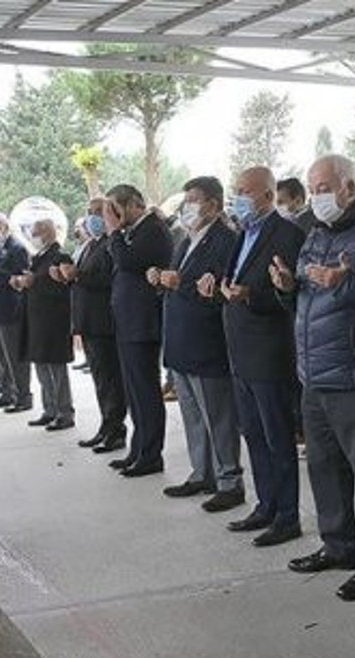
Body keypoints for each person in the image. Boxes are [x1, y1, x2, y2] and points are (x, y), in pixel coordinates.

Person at [273, 154, 355, 602]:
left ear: (350, 186)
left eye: (324, 187)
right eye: (312, 188)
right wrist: (287, 286)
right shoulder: (314, 233)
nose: (317, 196)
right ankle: (338, 545)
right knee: (324, 466)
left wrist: (343, 284)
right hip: (315, 372)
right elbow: (307, 299)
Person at [220, 166, 308, 548]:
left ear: (268, 196)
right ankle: (266, 504)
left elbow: (292, 293)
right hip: (240, 349)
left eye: (245, 191)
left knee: (277, 437)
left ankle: (287, 516)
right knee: (253, 433)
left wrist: (251, 296)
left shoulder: (288, 234)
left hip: (271, 351)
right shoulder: (242, 234)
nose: (237, 197)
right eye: (235, 190)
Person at [152, 176, 246, 513]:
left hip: (207, 342)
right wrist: (163, 279)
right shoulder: (187, 239)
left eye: (194, 199)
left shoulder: (227, 240)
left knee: (218, 416)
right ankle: (202, 472)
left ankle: (229, 480)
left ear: (214, 205)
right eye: (187, 199)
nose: (187, 205)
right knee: (192, 415)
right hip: (180, 339)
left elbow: (222, 288)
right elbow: (180, 278)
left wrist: (183, 283)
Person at [105, 184, 173, 478]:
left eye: (116, 210)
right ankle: (137, 448)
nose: (114, 217)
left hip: (143, 322)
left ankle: (151, 454)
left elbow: (127, 262)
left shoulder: (153, 230)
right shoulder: (133, 232)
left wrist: (113, 232)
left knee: (146, 392)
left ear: (134, 204)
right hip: (128, 322)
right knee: (133, 391)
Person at [69, 202, 128, 453]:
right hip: (88, 321)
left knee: (110, 379)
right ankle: (106, 425)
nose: (92, 218)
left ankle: (116, 430)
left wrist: (78, 275)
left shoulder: (111, 244)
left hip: (104, 321)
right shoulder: (90, 244)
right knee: (100, 380)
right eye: (89, 213)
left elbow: (108, 279)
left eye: (97, 213)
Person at [10, 219, 76, 431]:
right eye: (32, 232)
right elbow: (34, 280)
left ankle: (64, 412)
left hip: (54, 320)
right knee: (41, 366)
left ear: (49, 232)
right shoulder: (37, 257)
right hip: (36, 319)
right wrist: (21, 283)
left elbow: (63, 290)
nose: (34, 236)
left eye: (37, 232)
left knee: (56, 367)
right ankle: (49, 409)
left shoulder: (60, 257)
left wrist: (34, 282)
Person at [0, 213, 33, 414]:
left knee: (14, 356)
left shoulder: (17, 248)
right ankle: (7, 392)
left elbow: (22, 278)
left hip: (10, 310)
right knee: (0, 356)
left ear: (5, 227)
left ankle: (23, 396)